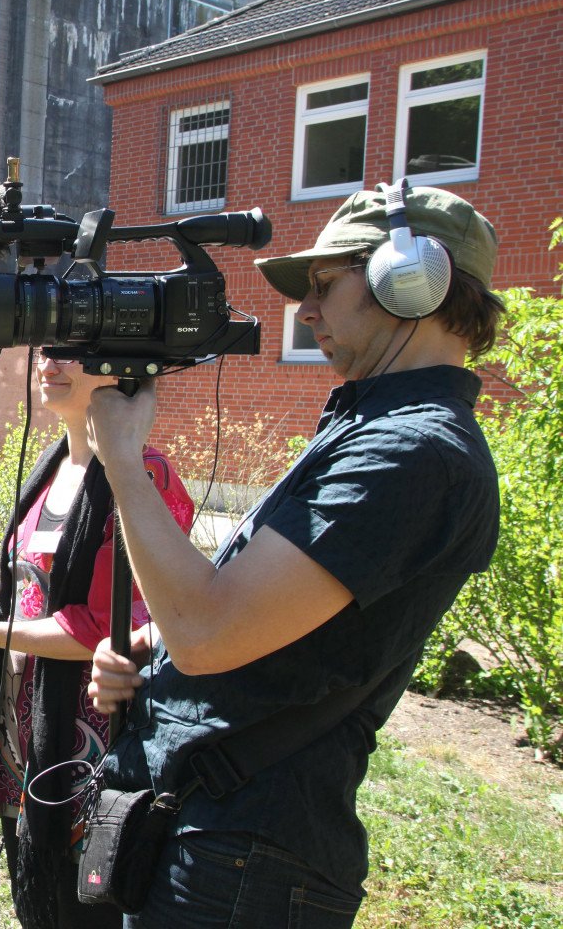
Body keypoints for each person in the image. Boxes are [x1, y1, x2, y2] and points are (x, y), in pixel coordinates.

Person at [87, 185, 503, 927]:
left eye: (325, 284)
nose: (305, 312)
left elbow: (211, 632)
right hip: (215, 836)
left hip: (245, 859)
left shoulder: (413, 452)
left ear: (410, 279)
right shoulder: (373, 427)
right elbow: (264, 626)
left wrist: (122, 459)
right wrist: (154, 651)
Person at [0, 351, 194, 929]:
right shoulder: (54, 466)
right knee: (37, 900)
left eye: (75, 349)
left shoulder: (143, 477)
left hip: (91, 739)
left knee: (80, 907)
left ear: (120, 368)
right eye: (47, 346)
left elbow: (104, 627)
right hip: (27, 738)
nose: (51, 360)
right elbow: (39, 569)